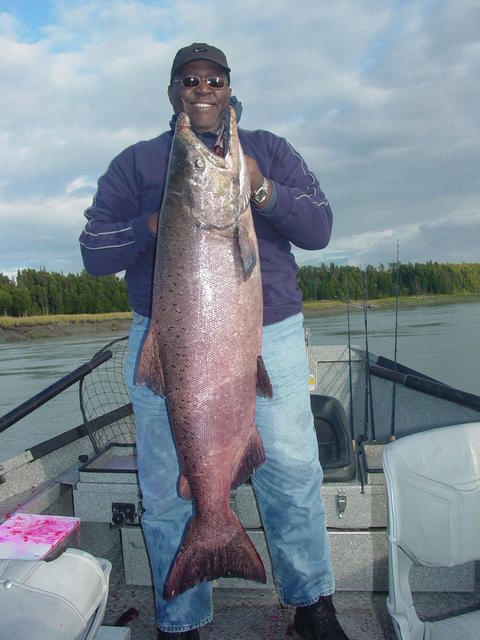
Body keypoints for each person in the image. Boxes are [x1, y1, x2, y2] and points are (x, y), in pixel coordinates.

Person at [80, 43, 350, 640]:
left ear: (229, 89)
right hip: (169, 342)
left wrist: (261, 188)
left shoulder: (268, 151)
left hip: (269, 333)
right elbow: (93, 253)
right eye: (190, 79)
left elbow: (320, 229)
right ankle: (181, 620)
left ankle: (311, 604)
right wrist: (155, 222)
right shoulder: (138, 164)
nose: (202, 88)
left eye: (215, 79)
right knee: (166, 489)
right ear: (173, 91)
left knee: (292, 472)